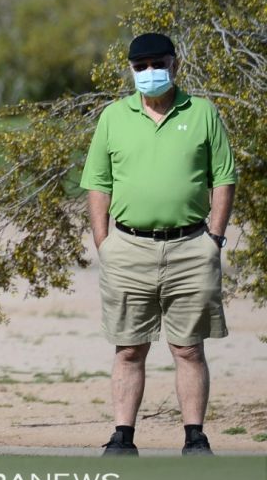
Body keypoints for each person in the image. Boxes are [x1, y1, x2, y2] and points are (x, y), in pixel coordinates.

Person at [80, 33, 236, 457]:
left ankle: (195, 436)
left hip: (191, 246)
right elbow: (97, 182)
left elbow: (223, 177)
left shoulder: (202, 112)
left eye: (157, 64)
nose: (149, 73)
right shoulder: (114, 116)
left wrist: (215, 239)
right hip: (128, 246)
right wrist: (103, 243)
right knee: (129, 347)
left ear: (175, 64)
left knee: (188, 347)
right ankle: (123, 435)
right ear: (131, 70)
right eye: (140, 66)